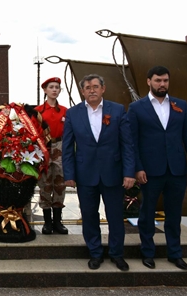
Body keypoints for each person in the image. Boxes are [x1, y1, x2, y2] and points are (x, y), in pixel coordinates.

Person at [127, 65, 187, 271]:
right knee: (147, 213)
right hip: (149, 171)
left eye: (165, 80)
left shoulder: (181, 105)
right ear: (149, 81)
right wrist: (137, 168)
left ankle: (175, 253)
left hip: (177, 170)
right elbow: (132, 141)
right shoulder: (137, 108)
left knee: (174, 215)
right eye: (158, 80)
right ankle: (147, 253)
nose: (162, 84)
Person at [62, 74, 135, 271]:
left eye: (95, 86)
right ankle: (95, 253)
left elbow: (127, 144)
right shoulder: (73, 114)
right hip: (85, 174)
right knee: (89, 215)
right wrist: (69, 175)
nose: (92, 90)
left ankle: (117, 254)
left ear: (103, 89)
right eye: (87, 87)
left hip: (113, 173)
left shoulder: (118, 110)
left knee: (115, 216)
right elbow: (68, 147)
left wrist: (129, 173)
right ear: (83, 91)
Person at [34, 77, 68, 234]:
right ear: (45, 90)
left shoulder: (65, 111)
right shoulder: (38, 111)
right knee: (45, 184)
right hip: (44, 147)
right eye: (51, 87)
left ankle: (58, 221)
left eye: (57, 87)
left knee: (60, 184)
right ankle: (47, 222)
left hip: (60, 147)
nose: (54, 89)